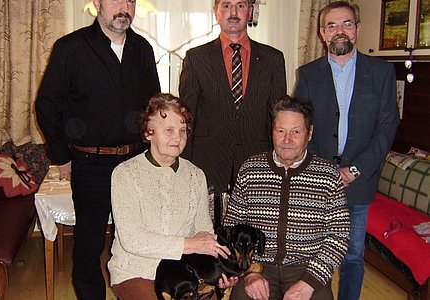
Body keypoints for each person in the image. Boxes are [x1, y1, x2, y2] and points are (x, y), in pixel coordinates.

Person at [35, 0, 160, 299]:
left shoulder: (142, 49)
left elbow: (154, 105)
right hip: (90, 163)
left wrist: (157, 153)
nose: (124, 7)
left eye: (130, 0)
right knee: (89, 246)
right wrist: (61, 156)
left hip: (135, 162)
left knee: (135, 239)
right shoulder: (70, 47)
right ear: (97, 3)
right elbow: (46, 105)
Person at [294, 2, 400, 300]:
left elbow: (387, 126)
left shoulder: (381, 72)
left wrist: (355, 170)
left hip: (359, 181)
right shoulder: (308, 74)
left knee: (352, 257)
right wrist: (327, 172)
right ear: (322, 33)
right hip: (319, 182)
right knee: (313, 253)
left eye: (347, 24)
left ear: (358, 29)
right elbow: (302, 128)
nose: (340, 31)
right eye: (332, 25)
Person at [107, 93, 233, 300]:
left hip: (183, 272)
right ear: (149, 133)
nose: (178, 137)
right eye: (169, 130)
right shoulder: (125, 174)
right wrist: (190, 244)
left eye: (183, 130)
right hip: (136, 271)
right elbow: (132, 240)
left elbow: (202, 229)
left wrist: (215, 269)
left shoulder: (195, 175)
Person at [223, 96, 350, 300]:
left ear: (309, 134)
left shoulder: (327, 175)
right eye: (280, 131)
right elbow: (231, 228)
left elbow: (339, 236)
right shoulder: (250, 170)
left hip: (307, 268)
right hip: (260, 267)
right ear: (272, 131)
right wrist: (249, 273)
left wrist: (310, 282)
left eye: (296, 132)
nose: (287, 140)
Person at [179, 0, 287, 196]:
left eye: (241, 5)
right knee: (208, 226)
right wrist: (183, 165)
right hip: (208, 161)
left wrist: (280, 162)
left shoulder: (273, 59)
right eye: (226, 6)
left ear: (251, 11)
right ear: (216, 12)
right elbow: (187, 118)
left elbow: (278, 118)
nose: (234, 12)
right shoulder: (196, 58)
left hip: (257, 161)